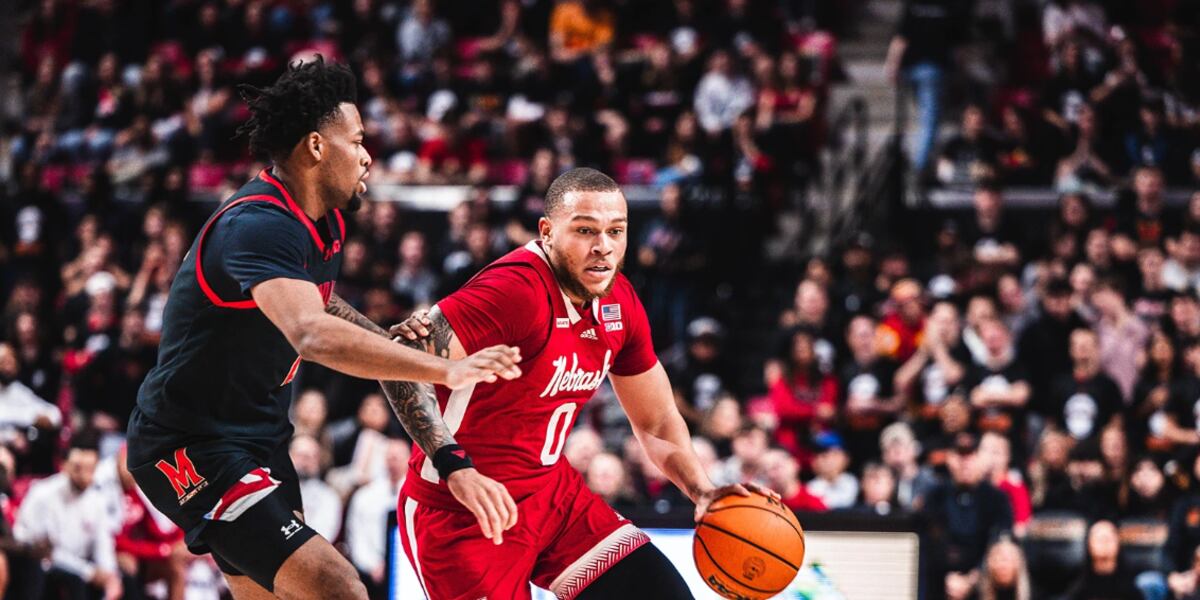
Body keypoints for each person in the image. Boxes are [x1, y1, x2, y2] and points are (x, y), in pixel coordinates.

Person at [125, 57, 522, 600]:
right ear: (316, 147)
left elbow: (340, 325)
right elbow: (311, 334)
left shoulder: (324, 224)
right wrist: (446, 369)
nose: (367, 155)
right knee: (339, 588)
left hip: (258, 438)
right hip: (189, 444)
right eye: (357, 140)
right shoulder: (258, 225)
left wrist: (450, 458)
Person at [390, 168, 776, 599]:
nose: (603, 248)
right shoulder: (514, 290)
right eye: (585, 230)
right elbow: (399, 360)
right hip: (464, 510)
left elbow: (657, 420)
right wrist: (452, 465)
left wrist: (700, 490)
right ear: (547, 231)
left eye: (616, 231)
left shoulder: (619, 301)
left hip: (553, 497)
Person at [14, 432, 122, 600]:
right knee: (74, 580)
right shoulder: (43, 494)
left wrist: (109, 575)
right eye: (79, 468)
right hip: (38, 561)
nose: (85, 476)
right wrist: (89, 572)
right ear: (65, 465)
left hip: (78, 564)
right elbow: (48, 552)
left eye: (90, 469)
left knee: (121, 579)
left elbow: (103, 544)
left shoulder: (97, 500)